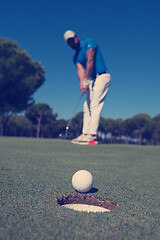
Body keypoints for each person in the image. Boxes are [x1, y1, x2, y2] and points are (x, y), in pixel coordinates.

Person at [64, 30, 111, 145]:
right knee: (86, 106)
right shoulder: (76, 57)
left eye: (72, 39)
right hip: (92, 79)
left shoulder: (89, 42)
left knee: (94, 104)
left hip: (102, 76)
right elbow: (80, 70)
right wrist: (82, 84)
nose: (72, 43)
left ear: (77, 37)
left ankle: (92, 136)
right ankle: (85, 134)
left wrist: (86, 80)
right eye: (69, 42)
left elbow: (90, 61)